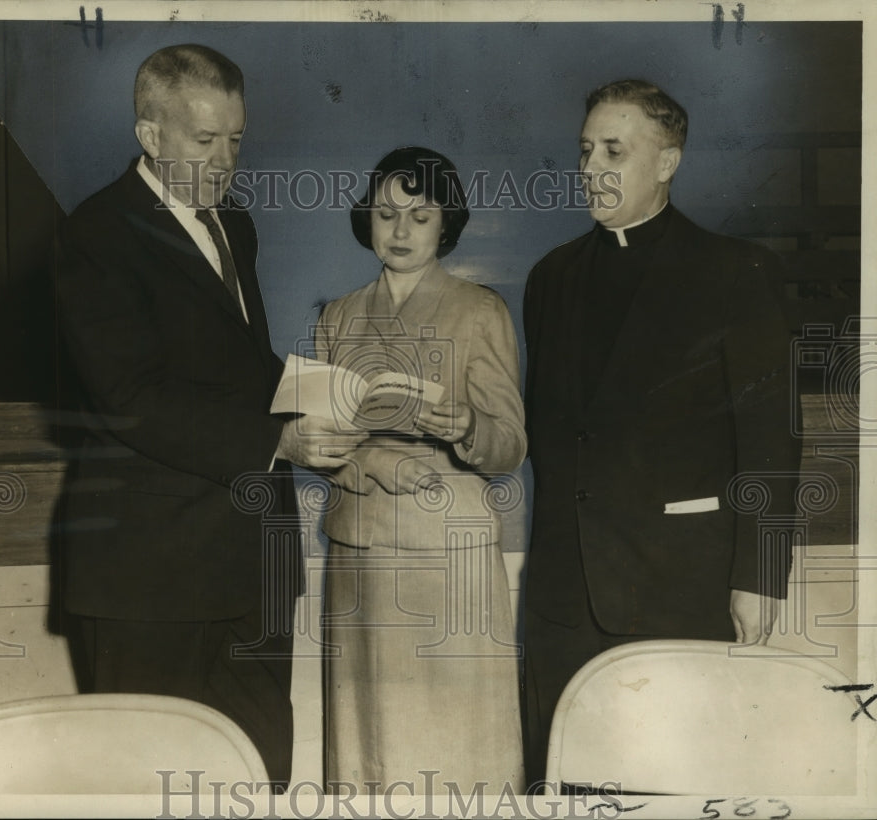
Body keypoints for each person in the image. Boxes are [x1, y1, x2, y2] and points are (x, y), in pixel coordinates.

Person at [50, 43, 361, 788]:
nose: (225, 159)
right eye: (204, 139)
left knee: (260, 776)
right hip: (150, 576)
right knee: (146, 783)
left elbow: (230, 370)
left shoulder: (233, 224)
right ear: (150, 136)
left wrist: (333, 398)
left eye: (236, 138)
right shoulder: (94, 234)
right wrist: (278, 439)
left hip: (252, 562)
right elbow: (129, 398)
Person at [520, 79, 801, 787]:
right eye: (585, 150)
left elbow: (772, 438)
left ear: (668, 163)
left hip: (680, 590)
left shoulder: (736, 273)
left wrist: (760, 578)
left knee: (676, 783)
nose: (591, 167)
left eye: (614, 150)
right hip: (563, 602)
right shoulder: (549, 279)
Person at [316, 146, 527, 794]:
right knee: (370, 741)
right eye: (386, 214)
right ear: (367, 221)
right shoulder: (338, 317)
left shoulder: (478, 310)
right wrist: (371, 460)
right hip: (361, 552)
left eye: (420, 214)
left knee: (457, 741)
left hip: (450, 554)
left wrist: (468, 427)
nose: (400, 231)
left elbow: (511, 443)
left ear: (446, 223)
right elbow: (315, 440)